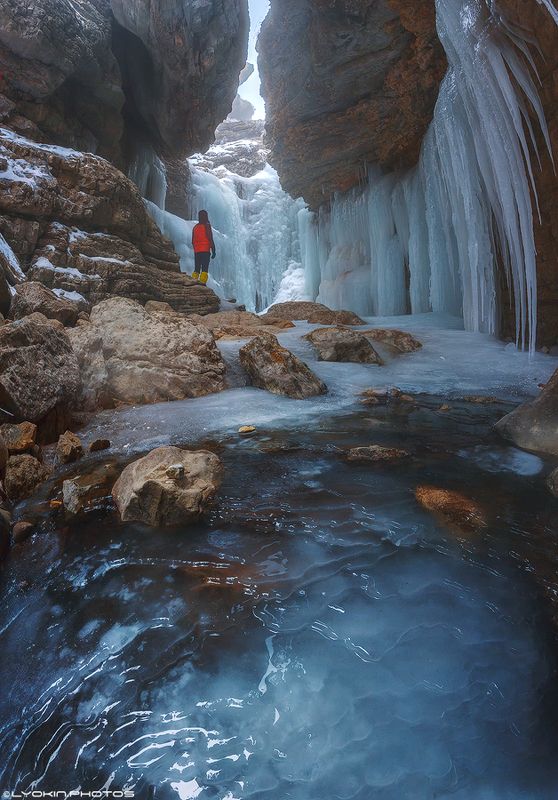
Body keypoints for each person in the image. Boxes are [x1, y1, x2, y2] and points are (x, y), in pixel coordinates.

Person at [191, 210, 216, 284]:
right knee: (204, 269)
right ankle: (202, 283)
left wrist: (196, 249)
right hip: (205, 251)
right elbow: (210, 238)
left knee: (196, 269)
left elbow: (193, 241)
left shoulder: (195, 227)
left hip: (197, 251)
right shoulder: (207, 225)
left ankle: (193, 282)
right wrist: (213, 250)